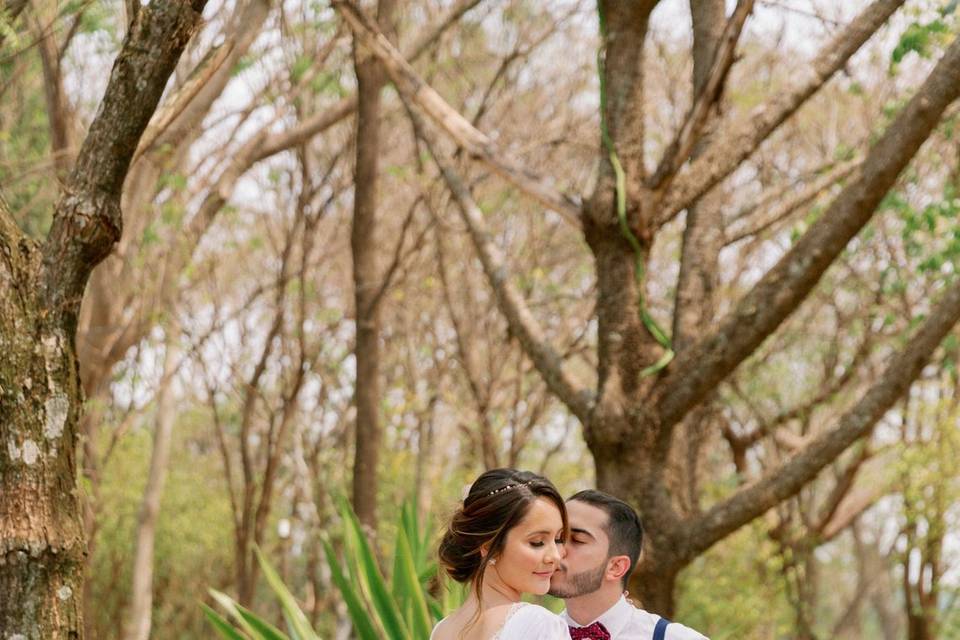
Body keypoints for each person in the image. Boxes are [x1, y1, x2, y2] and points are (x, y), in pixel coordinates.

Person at [431, 468, 571, 640]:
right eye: (537, 542)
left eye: (558, 539)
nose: (555, 556)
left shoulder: (442, 630)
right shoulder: (538, 624)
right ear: (490, 547)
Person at [548, 490, 708, 640]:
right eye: (559, 537)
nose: (557, 549)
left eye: (577, 540)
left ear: (616, 567)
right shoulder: (536, 633)